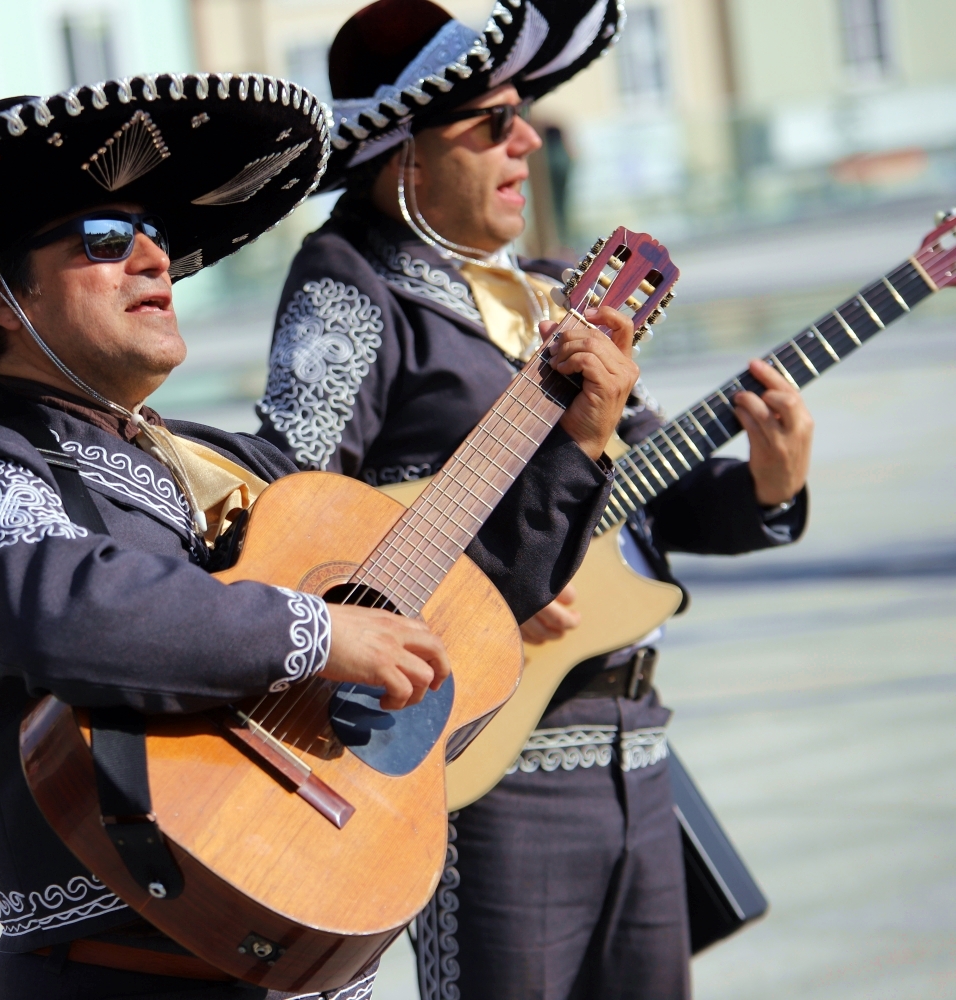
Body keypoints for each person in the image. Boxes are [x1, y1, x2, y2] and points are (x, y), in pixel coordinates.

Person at [0, 70, 633, 1000]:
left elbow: (454, 600)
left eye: (159, 236)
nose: (153, 259)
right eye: (104, 238)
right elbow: (64, 609)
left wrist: (574, 444)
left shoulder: (239, 460)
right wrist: (319, 636)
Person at [256, 2, 813, 998]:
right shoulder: (348, 286)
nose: (528, 138)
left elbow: (647, 494)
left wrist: (771, 487)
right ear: (403, 159)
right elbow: (295, 512)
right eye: (491, 122)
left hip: (636, 752)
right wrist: (474, 595)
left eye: (525, 113)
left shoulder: (552, 292)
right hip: (488, 772)